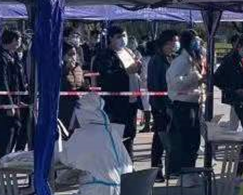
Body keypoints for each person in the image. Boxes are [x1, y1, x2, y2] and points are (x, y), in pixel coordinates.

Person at [94, 25, 141, 155]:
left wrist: (137, 67)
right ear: (110, 38)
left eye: (124, 36)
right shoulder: (105, 55)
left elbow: (134, 71)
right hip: (115, 103)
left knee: (130, 134)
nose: (123, 39)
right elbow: (106, 77)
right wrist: (125, 72)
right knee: (117, 136)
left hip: (131, 100)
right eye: (119, 37)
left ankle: (129, 161)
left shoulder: (127, 52)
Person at [166, 29, 204, 172]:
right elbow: (175, 83)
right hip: (183, 105)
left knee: (193, 141)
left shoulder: (191, 59)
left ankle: (189, 169)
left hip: (193, 103)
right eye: (195, 41)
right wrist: (194, 78)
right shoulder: (181, 61)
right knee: (185, 141)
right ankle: (184, 172)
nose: (198, 44)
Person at [0, 30, 27, 158]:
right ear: (13, 40)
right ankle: (3, 156)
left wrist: (22, 96)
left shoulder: (13, 55)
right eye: (18, 40)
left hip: (16, 97)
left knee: (17, 126)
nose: (20, 43)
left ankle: (11, 154)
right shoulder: (0, 55)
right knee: (7, 128)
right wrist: (8, 103)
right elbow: (2, 80)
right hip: (3, 99)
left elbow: (18, 77)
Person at [147, 29, 179, 176]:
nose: (176, 44)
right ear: (166, 43)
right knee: (160, 138)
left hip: (173, 103)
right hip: (160, 105)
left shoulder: (173, 58)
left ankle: (169, 169)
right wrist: (161, 106)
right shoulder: (156, 61)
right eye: (174, 41)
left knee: (169, 138)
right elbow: (154, 85)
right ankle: (156, 169)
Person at [59, 43, 86, 132]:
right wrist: (66, 70)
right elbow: (63, 86)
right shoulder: (59, 69)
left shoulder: (78, 68)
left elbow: (81, 85)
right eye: (70, 54)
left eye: (74, 54)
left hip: (78, 105)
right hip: (64, 105)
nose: (73, 57)